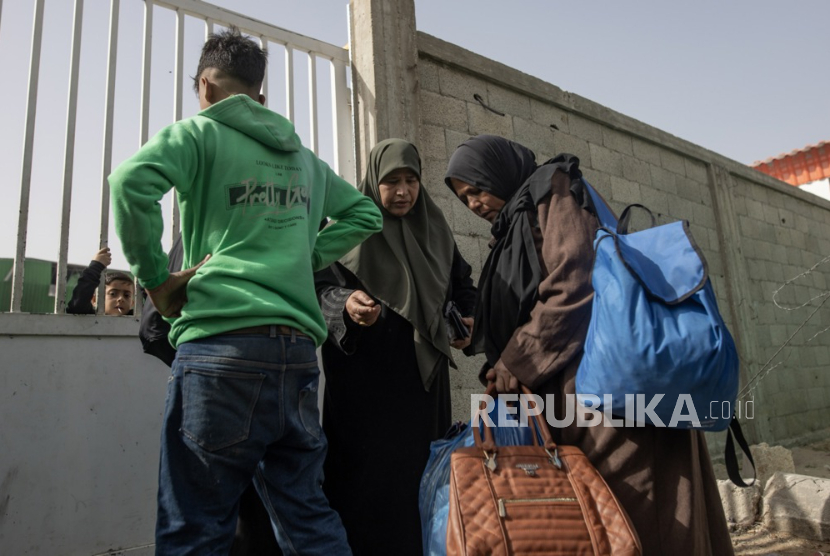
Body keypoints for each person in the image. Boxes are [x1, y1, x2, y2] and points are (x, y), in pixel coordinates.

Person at [109, 27, 382, 555]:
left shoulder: (198, 135)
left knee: (196, 527)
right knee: (306, 516)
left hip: (220, 349)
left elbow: (129, 183)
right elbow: (364, 212)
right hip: (298, 355)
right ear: (261, 96)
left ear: (205, 87)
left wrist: (157, 281)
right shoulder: (304, 160)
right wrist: (301, 258)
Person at [444, 134, 734, 556]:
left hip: (608, 401)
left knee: (637, 516)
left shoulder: (553, 188)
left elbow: (575, 279)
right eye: (463, 198)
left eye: (476, 188)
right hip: (576, 395)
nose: (473, 203)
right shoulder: (519, 220)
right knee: (608, 522)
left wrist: (516, 360)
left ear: (498, 171)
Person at [315, 138, 477, 555]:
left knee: (423, 484)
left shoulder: (436, 230)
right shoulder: (345, 230)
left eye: (411, 180)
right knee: (365, 490)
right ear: (373, 182)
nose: (403, 191)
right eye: (391, 181)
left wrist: (466, 320)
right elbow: (317, 289)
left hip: (424, 389)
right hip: (364, 391)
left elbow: (462, 287)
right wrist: (345, 304)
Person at [138, 235, 281, 556]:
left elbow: (152, 328)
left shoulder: (281, 221)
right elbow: (154, 325)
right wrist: (206, 368)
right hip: (224, 392)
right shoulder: (203, 229)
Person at [66, 247, 134, 316]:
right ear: (94, 300)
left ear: (132, 303)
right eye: (113, 294)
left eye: (127, 295)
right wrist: (96, 266)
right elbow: (78, 303)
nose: (121, 299)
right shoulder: (90, 317)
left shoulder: (137, 320)